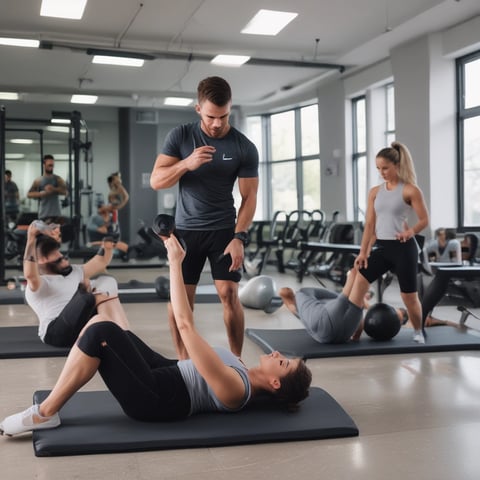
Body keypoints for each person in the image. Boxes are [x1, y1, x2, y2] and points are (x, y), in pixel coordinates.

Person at [0, 234, 311, 437]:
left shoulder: (237, 389)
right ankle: (60, 393)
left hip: (159, 399)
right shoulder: (242, 370)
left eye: (283, 363)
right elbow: (186, 358)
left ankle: (45, 413)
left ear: (275, 383)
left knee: (102, 333)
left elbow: (186, 325)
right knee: (102, 323)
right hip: (167, 372)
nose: (276, 354)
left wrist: (176, 264)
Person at [150, 76, 259, 359]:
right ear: (198, 108)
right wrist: (187, 163)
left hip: (224, 229)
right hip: (187, 230)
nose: (217, 123)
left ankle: (237, 362)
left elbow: (249, 198)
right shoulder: (181, 136)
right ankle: (185, 363)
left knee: (229, 295)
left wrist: (239, 237)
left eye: (223, 116)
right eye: (211, 116)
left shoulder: (243, 147)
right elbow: (156, 181)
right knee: (180, 303)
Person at [349, 141, 429, 344]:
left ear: (397, 166)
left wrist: (410, 232)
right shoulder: (375, 192)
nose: (381, 172)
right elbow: (369, 225)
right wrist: (363, 252)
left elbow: (424, 220)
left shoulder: (410, 190)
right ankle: (355, 333)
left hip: (404, 249)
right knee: (358, 287)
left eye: (385, 168)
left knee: (409, 297)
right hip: (382, 247)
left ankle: (418, 331)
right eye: (378, 168)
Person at [23, 221, 130, 348]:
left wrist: (107, 245)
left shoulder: (75, 272)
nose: (63, 257)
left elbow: (101, 261)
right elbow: (30, 274)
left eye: (62, 255)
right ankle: (120, 337)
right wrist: (31, 238)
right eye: (59, 259)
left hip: (81, 328)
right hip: (56, 334)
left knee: (107, 282)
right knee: (87, 295)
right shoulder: (40, 283)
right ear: (42, 261)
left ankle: (126, 337)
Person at [27, 154, 68, 223]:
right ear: (44, 165)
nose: (51, 167)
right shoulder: (38, 180)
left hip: (56, 214)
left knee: (55, 233)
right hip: (43, 214)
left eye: (52, 165)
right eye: (49, 165)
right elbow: (29, 194)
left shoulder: (58, 179)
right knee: (44, 233)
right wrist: (42, 194)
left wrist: (54, 189)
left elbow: (65, 192)